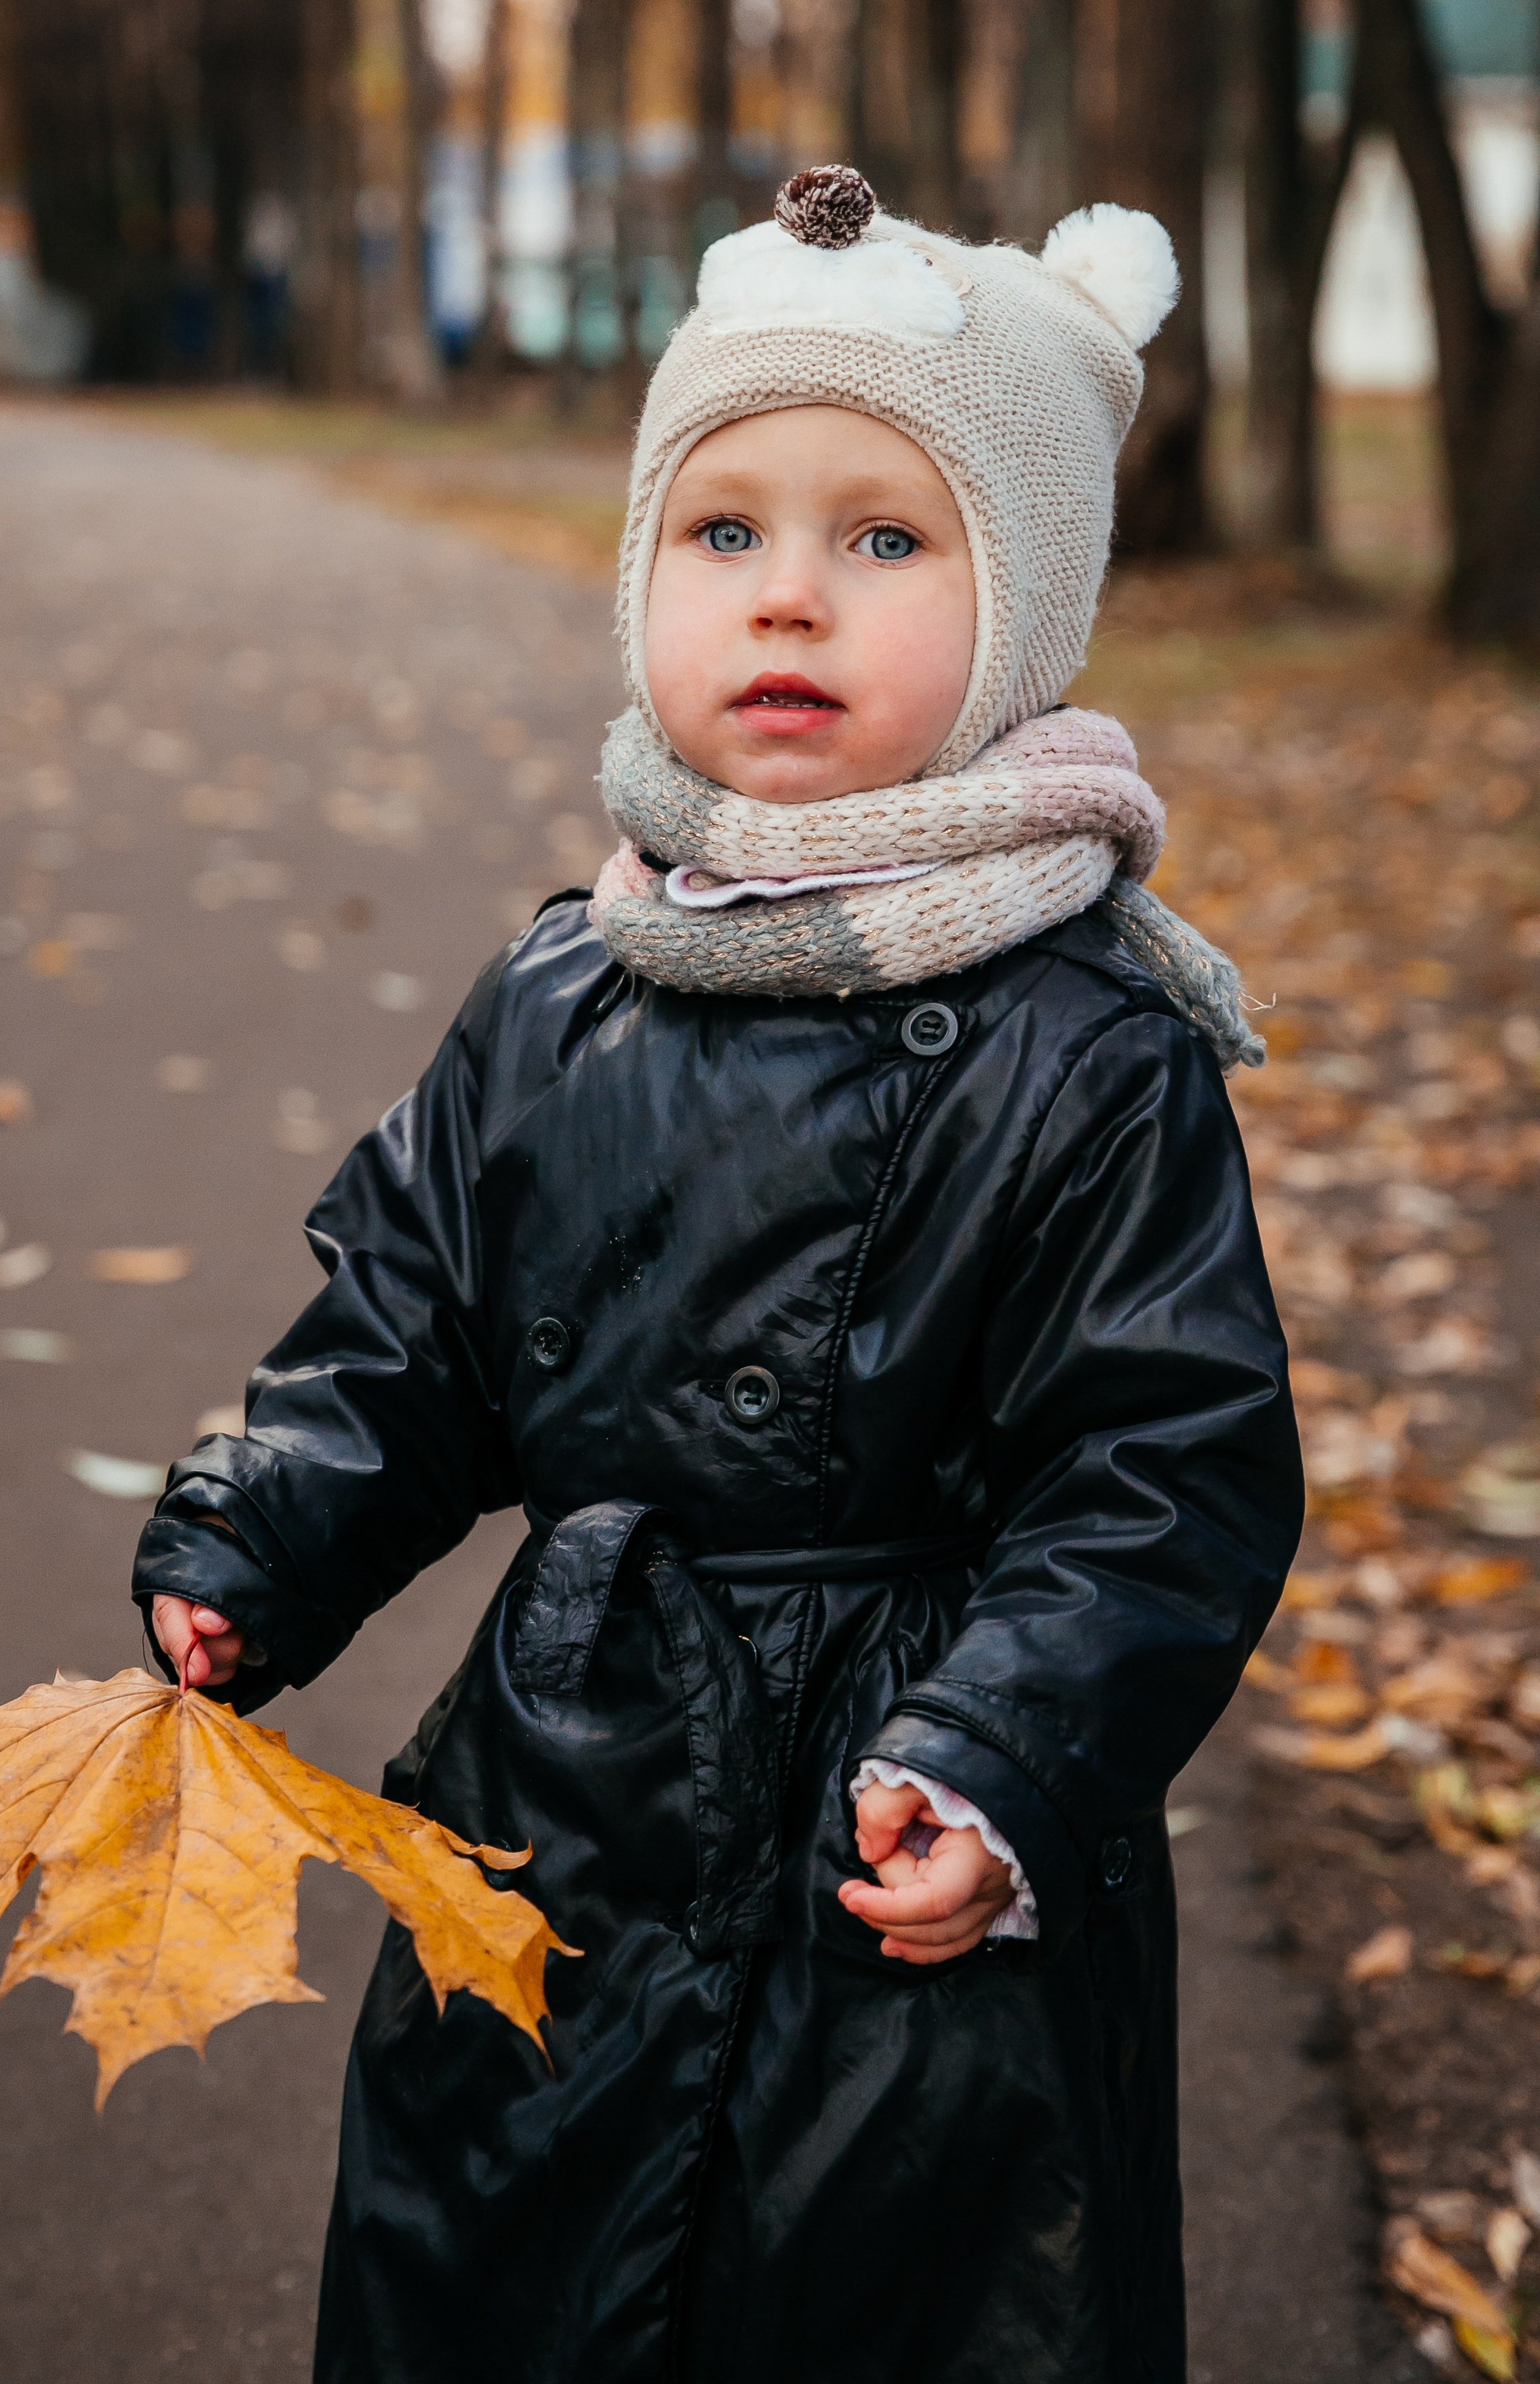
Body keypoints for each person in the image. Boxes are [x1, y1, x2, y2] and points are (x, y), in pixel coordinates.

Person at [136, 165, 1303, 2384]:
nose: (790, 599)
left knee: (878, 2306)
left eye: (886, 540)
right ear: (643, 575)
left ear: (1026, 605)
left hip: (902, 1833)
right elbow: (414, 1317)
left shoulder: (1093, 1049)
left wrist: (1003, 1759)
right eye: (724, 529)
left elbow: (1168, 1472)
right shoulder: (567, 988)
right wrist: (265, 1528)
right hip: (565, 1788)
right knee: (506, 2263)